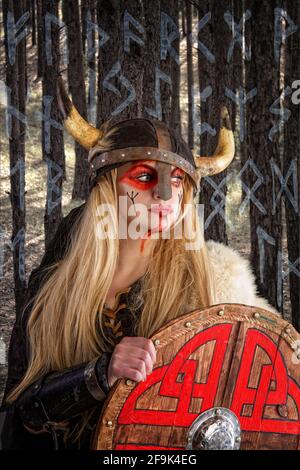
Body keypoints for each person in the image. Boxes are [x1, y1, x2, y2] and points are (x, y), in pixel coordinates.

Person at [0, 78, 279, 450]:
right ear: (108, 189)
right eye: (144, 176)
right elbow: (22, 415)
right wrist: (100, 373)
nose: (165, 194)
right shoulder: (55, 286)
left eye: (177, 180)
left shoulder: (212, 286)